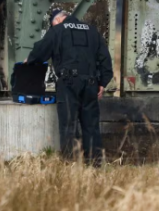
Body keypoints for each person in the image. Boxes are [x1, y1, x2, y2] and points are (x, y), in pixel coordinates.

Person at [27, 9, 113, 163]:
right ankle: (95, 163)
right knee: (91, 125)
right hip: (91, 83)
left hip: (68, 83)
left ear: (58, 20)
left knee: (68, 125)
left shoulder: (57, 30)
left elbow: (41, 52)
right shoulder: (92, 31)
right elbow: (105, 59)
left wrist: (30, 60)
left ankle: (70, 163)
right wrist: (102, 83)